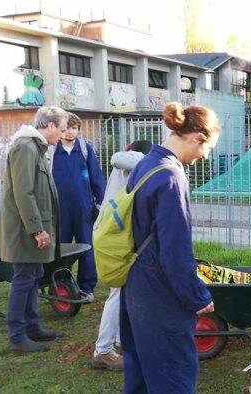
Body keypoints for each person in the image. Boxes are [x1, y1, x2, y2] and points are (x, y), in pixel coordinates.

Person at [120, 102, 217, 392]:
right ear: (197, 137)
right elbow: (174, 252)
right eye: (207, 149)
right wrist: (197, 296)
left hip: (136, 284)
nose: (203, 157)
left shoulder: (146, 164)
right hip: (160, 290)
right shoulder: (171, 177)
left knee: (140, 372)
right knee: (172, 375)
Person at [0, 107, 67, 353]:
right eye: (60, 129)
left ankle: (32, 327)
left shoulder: (35, 149)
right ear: (49, 125)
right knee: (24, 278)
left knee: (33, 275)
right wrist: (38, 230)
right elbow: (23, 193)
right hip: (25, 230)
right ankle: (17, 336)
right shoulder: (25, 148)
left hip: (32, 229)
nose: (61, 134)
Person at [91, 140, 152, 371]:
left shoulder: (131, 169)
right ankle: (103, 351)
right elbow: (118, 156)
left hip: (117, 235)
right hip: (112, 237)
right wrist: (152, 160)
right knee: (117, 292)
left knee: (125, 291)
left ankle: (119, 341)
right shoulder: (126, 163)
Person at [51, 113, 105, 302]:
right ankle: (61, 284)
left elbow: (96, 177)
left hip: (84, 209)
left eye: (74, 128)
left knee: (86, 247)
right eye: (66, 128)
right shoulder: (51, 151)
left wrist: (99, 203)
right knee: (61, 248)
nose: (70, 132)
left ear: (78, 130)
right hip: (59, 211)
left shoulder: (85, 149)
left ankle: (86, 287)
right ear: (60, 129)